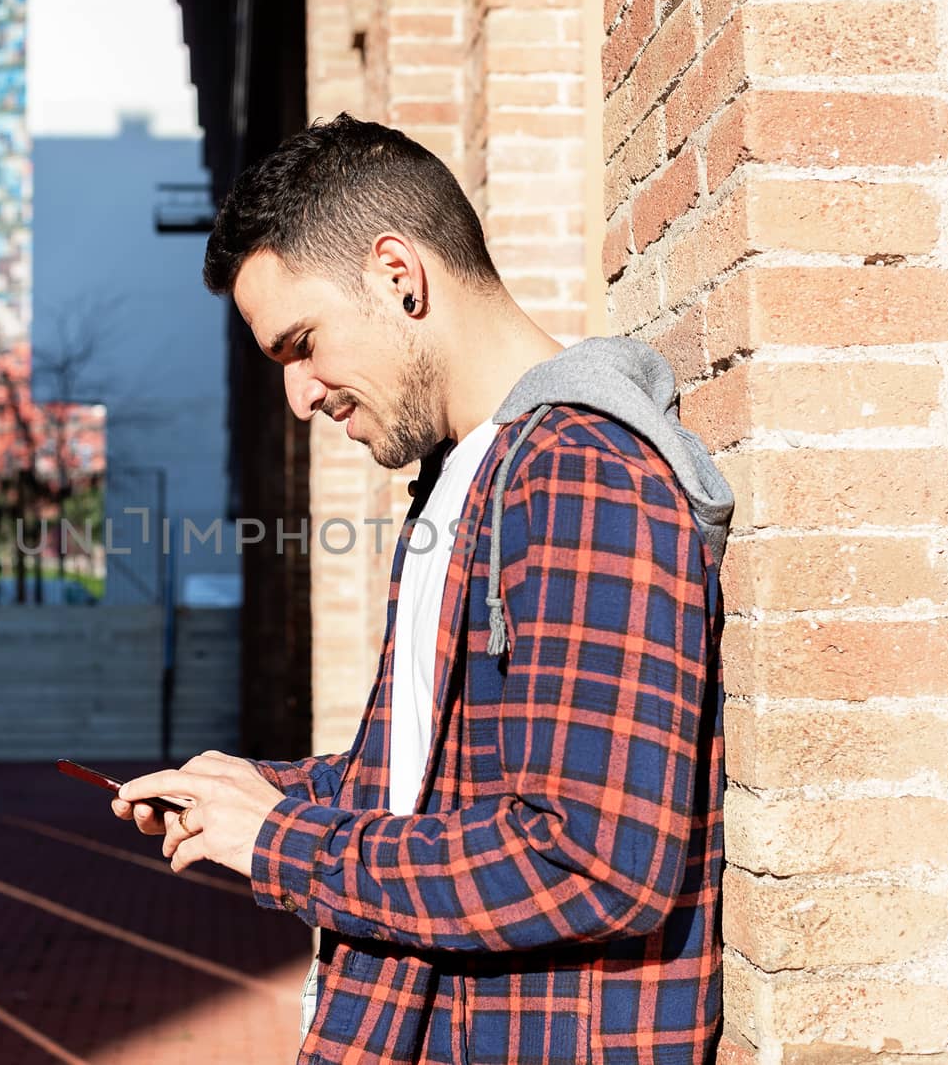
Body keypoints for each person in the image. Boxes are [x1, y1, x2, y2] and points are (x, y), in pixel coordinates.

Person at [113, 113, 732, 1065]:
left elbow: (594, 862)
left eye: (303, 342)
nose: (301, 395)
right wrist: (258, 792)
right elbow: (439, 785)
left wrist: (282, 842)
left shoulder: (579, 470)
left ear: (398, 275)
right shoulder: (461, 478)